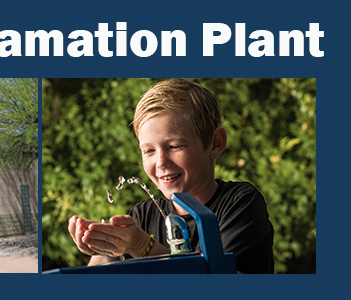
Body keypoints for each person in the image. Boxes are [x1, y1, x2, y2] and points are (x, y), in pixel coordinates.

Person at [67, 79, 275, 274]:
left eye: (175, 146)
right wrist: (102, 251)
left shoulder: (239, 203)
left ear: (215, 143)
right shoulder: (142, 216)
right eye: (149, 151)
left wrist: (143, 247)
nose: (161, 162)